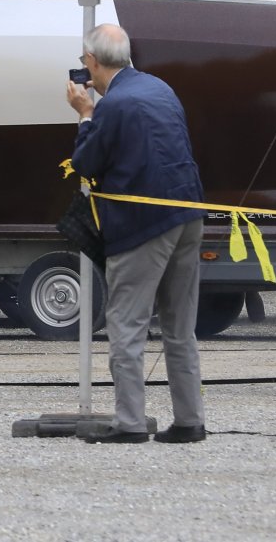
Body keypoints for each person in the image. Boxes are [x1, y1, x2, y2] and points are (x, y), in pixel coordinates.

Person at [66, 23, 207, 445]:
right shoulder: (161, 88)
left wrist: (85, 115)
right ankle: (189, 421)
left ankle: (129, 423)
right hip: (188, 213)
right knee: (180, 326)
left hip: (143, 222)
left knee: (127, 324)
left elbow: (86, 163)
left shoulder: (112, 105)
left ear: (92, 62)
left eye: (84, 61)